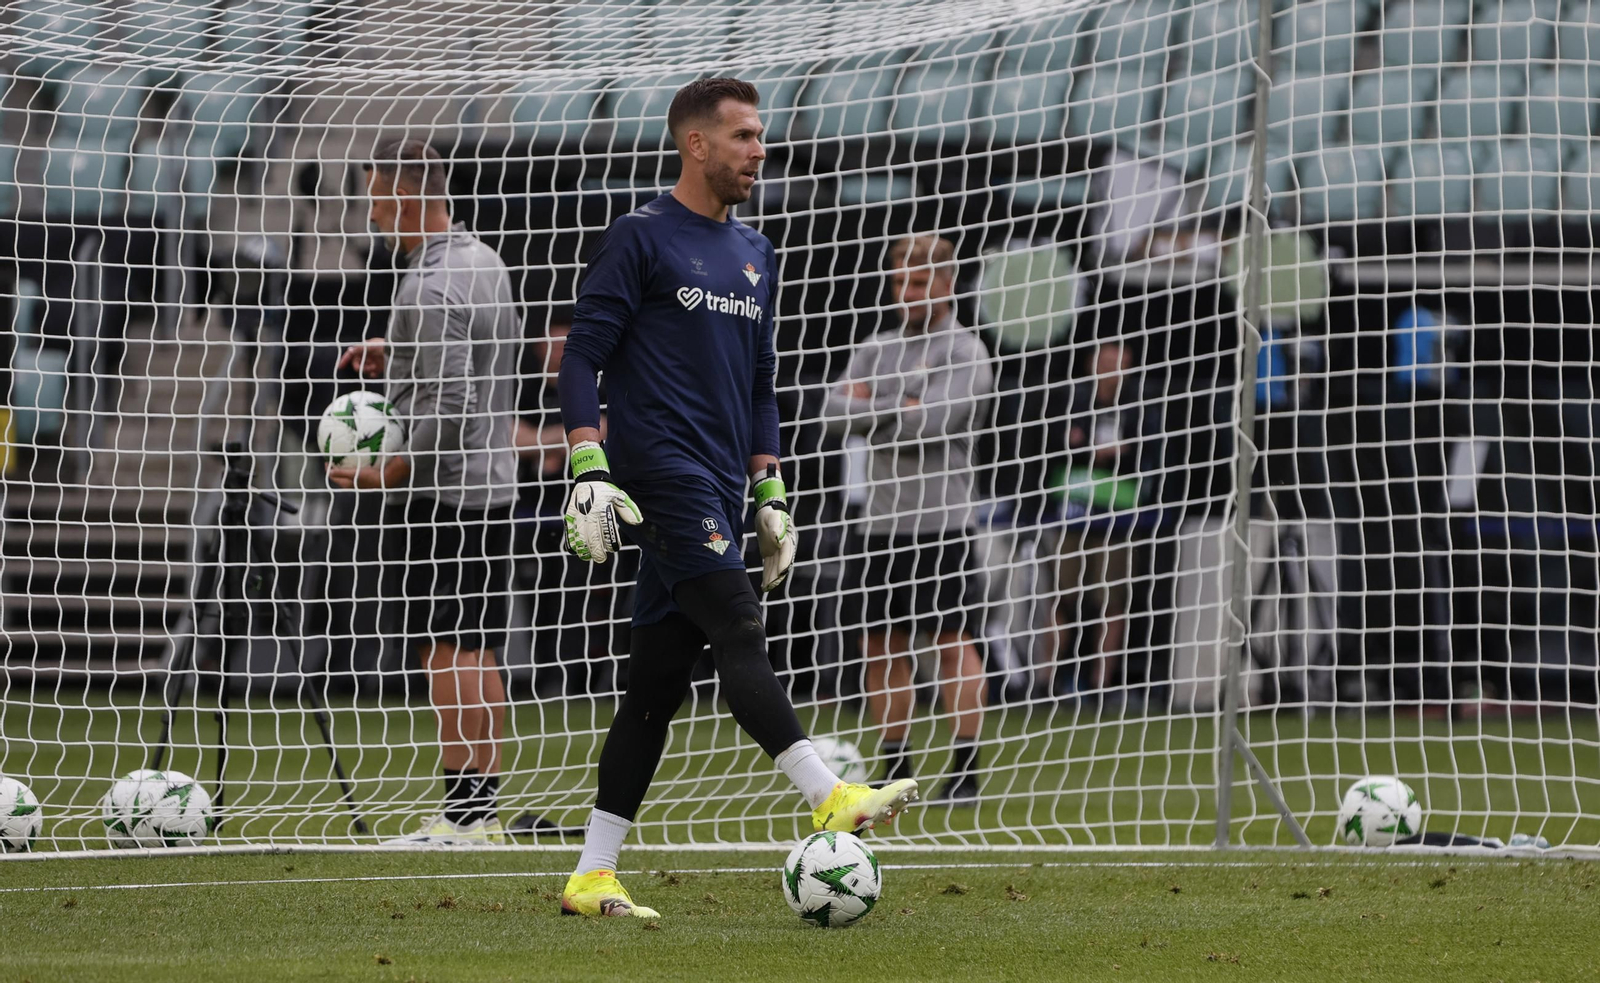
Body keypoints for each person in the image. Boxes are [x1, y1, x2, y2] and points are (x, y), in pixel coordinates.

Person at [556, 77, 918, 919]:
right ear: (697, 145)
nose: (760, 151)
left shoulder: (756, 250)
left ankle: (592, 872)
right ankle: (830, 795)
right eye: (746, 137)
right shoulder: (640, 237)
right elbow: (582, 359)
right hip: (660, 473)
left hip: (722, 480)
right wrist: (588, 462)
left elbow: (761, 384)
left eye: (761, 137)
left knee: (655, 686)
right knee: (740, 625)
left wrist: (770, 487)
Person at [331, 139, 521, 844]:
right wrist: (396, 351)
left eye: (379, 196)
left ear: (408, 194)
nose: (375, 213)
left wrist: (394, 471)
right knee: (479, 646)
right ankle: (485, 812)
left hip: (447, 491)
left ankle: (462, 816)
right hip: (494, 483)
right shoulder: (484, 260)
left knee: (446, 648)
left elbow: (452, 400)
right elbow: (473, 360)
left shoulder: (428, 283)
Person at [820, 234, 995, 804]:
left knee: (951, 642)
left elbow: (936, 422)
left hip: (943, 522)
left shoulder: (966, 351)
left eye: (918, 282)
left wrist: (876, 405)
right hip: (880, 525)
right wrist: (903, 402)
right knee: (881, 647)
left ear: (945, 284)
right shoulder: (877, 345)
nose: (907, 293)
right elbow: (831, 413)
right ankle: (896, 768)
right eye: (900, 282)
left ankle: (965, 771)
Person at [1049, 340, 1142, 696]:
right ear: (1092, 362)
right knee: (1062, 596)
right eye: (1104, 359)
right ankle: (1050, 682)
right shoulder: (1072, 399)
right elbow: (1058, 444)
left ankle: (1101, 684)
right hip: (1071, 509)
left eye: (1117, 359)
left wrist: (1110, 450)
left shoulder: (1138, 404)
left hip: (1118, 512)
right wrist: (1093, 448)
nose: (1110, 367)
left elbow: (1144, 449)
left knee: (1112, 599)